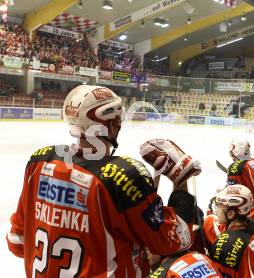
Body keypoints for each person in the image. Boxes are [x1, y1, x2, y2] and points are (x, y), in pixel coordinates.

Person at [6, 85, 201, 277]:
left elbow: (17, 242)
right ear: (112, 124)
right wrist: (181, 184)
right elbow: (174, 240)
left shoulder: (38, 162)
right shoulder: (124, 176)